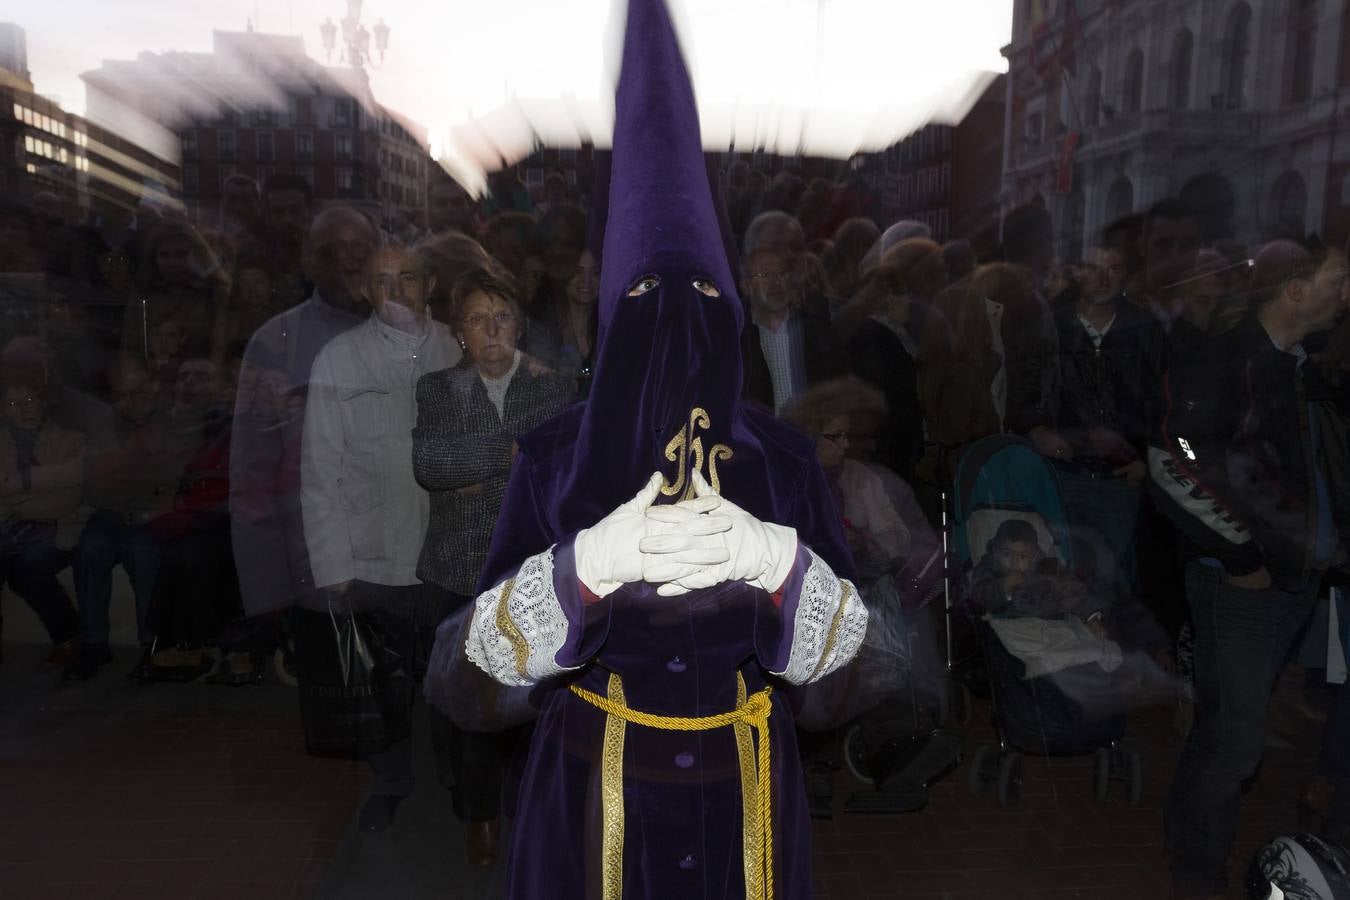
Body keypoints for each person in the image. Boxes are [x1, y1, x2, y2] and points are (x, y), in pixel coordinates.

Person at [424, 1, 865, 894]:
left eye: (701, 295)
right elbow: (461, 683)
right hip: (592, 795)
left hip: (749, 795)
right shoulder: (552, 458)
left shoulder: (782, 460)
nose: (672, 322)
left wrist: (786, 574)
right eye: (643, 301)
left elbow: (861, 678)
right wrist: (574, 577)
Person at [1149, 239, 1349, 898]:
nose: (1345, 295)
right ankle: (1197, 873)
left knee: (1234, 729)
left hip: (1291, 582)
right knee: (1233, 739)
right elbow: (1174, 454)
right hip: (1240, 586)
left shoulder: (1297, 367)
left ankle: (1194, 846)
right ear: (1295, 289)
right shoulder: (1227, 362)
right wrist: (1240, 556)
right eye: (1337, 281)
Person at [412, 263, 572, 865]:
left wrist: (475, 467)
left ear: (520, 327)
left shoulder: (554, 387)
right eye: (478, 319)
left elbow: (562, 464)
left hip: (531, 570)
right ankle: (479, 814)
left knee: (529, 700)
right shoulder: (436, 388)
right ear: (459, 332)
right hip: (458, 569)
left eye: (502, 318)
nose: (492, 329)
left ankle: (524, 807)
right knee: (471, 704)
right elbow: (431, 464)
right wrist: (510, 451)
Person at [300, 241, 460, 832]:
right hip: (372, 556)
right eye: (382, 281)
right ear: (365, 291)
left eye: (408, 277)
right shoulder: (337, 360)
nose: (395, 292)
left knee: (449, 680)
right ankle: (392, 778)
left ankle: (456, 776)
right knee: (383, 686)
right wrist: (332, 566)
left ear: (430, 282)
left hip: (448, 554)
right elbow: (319, 471)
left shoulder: (459, 347)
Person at [229, 204, 377, 626]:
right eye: (333, 249)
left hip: (404, 574)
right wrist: (267, 591)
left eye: (360, 249)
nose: (349, 259)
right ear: (309, 260)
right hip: (315, 567)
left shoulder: (416, 333)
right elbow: (252, 473)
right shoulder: (276, 342)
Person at [1052, 243, 1168, 593]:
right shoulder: (1052, 325)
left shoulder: (1145, 329)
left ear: (1126, 275)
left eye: (1114, 268)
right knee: (1059, 575)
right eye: (1093, 267)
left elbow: (1163, 401)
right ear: (1077, 272)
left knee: (1110, 580)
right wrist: (1036, 430)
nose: (1103, 278)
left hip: (1120, 475)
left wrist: (1148, 460)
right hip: (1063, 470)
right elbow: (1029, 387)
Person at [63, 354, 177, 681]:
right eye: (120, 394)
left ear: (153, 385)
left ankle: (152, 643)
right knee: (90, 547)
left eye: (136, 391)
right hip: (113, 512)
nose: (130, 402)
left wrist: (126, 471)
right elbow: (96, 490)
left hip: (157, 512)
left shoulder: (173, 416)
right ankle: (93, 642)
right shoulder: (104, 422)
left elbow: (173, 478)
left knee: (143, 550)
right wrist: (142, 468)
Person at [0, 375, 86, 665]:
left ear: (43, 404)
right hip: (8, 528)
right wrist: (45, 485)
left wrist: (19, 488)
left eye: (30, 400)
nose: (23, 408)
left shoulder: (72, 440)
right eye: (13, 403)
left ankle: (70, 638)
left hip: (59, 527)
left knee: (27, 569)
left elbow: (70, 496)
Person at [847, 237, 946, 482]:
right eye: (902, 293)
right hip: (888, 453)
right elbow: (882, 403)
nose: (909, 300)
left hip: (896, 450)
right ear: (886, 298)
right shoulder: (875, 340)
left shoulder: (893, 336)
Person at [739, 211, 843, 414]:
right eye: (765, 274)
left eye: (782, 274)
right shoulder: (737, 338)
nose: (776, 283)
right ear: (746, 286)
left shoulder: (817, 332)